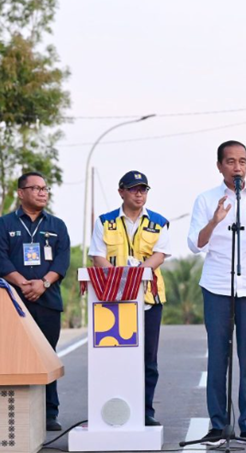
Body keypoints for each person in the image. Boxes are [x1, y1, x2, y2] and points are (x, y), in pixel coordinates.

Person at [188, 140, 246, 446]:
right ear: (219, 166)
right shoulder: (206, 200)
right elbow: (195, 244)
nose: (237, 167)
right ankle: (218, 424)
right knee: (219, 356)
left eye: (242, 161)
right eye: (230, 161)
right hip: (217, 286)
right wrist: (214, 221)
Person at [89, 170, 172, 426]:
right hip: (112, 300)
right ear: (121, 192)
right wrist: (120, 283)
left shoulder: (159, 221)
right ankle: (115, 409)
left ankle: (145, 410)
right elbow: (97, 256)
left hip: (148, 299)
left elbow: (160, 254)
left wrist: (136, 276)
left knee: (148, 359)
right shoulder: (105, 222)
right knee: (116, 357)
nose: (140, 194)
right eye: (134, 189)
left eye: (144, 189)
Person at [0, 171, 71, 432]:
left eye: (45, 188)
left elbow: (62, 260)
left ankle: (50, 413)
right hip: (15, 300)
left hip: (48, 301)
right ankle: (17, 411)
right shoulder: (4, 224)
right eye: (35, 188)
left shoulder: (56, 226)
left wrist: (43, 283)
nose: (42, 192)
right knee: (16, 356)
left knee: (47, 355)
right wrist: (23, 284)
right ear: (21, 193)